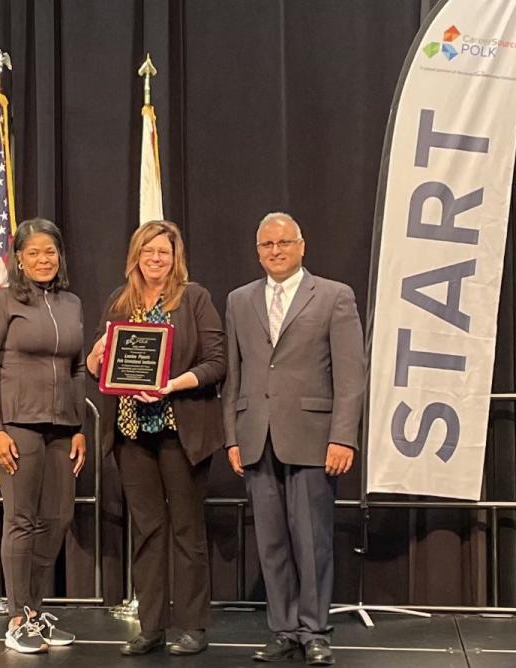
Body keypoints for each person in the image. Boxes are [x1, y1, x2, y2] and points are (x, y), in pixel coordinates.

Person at [221, 212, 364, 666]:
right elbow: (234, 375)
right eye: (267, 245)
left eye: (284, 242)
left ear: (302, 246)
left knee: (312, 540)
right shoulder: (239, 300)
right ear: (258, 250)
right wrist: (231, 438)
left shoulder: (334, 296)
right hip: (256, 436)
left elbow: (350, 375)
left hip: (314, 438)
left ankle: (315, 631)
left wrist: (343, 437)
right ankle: (283, 629)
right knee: (272, 542)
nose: (275, 251)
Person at [87, 221, 225, 656]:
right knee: (147, 531)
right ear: (136, 256)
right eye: (148, 252)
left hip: (179, 431)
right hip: (131, 434)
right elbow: (99, 364)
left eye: (163, 252)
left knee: (186, 530)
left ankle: (192, 626)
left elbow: (217, 362)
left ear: (175, 256)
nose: (155, 259)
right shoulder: (119, 301)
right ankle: (151, 626)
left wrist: (172, 384)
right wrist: (95, 357)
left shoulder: (194, 298)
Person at [0, 218, 87, 654]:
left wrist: (78, 426)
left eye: (50, 251)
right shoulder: (4, 301)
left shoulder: (72, 302)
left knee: (57, 518)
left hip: (62, 428)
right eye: (34, 252)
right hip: (18, 425)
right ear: (19, 258)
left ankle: (36, 611)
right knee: (22, 520)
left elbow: (77, 368)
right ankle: (19, 617)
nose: (44, 259)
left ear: (60, 256)